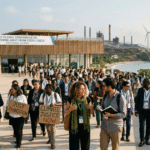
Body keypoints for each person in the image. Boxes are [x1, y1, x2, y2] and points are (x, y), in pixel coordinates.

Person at [97, 77, 126, 150]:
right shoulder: (105, 95)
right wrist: (100, 108)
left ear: (109, 87)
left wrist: (111, 115)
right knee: (103, 148)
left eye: (104, 86)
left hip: (115, 128)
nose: (102, 87)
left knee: (115, 148)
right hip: (105, 126)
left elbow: (123, 114)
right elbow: (103, 108)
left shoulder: (120, 97)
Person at [65, 81, 94, 150]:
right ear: (76, 90)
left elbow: (90, 113)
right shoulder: (71, 100)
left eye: (84, 88)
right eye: (81, 88)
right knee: (74, 146)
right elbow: (66, 113)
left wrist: (91, 109)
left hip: (85, 126)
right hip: (74, 127)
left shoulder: (87, 99)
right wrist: (70, 109)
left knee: (85, 146)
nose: (84, 90)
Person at [39, 84, 62, 149]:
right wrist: (44, 106)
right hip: (46, 114)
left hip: (53, 115)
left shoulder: (55, 94)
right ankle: (50, 138)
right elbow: (40, 102)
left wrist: (54, 104)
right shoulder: (43, 95)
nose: (45, 90)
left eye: (46, 89)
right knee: (48, 128)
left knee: (52, 129)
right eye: (45, 89)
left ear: (50, 89)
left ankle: (52, 143)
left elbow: (60, 103)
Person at [6, 84, 27, 150]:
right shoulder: (10, 96)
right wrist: (8, 106)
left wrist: (24, 114)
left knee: (19, 130)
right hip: (12, 116)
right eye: (11, 89)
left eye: (12, 89)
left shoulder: (22, 97)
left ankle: (18, 144)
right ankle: (18, 140)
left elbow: (25, 105)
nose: (11, 90)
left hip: (20, 117)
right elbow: (7, 104)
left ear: (16, 90)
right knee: (15, 130)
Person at [135, 78, 150, 147]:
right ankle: (142, 140)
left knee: (149, 126)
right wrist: (136, 110)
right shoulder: (140, 90)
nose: (143, 85)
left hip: (149, 111)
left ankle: (147, 139)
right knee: (141, 126)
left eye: (145, 83)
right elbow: (137, 100)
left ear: (149, 84)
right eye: (143, 83)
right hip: (142, 110)